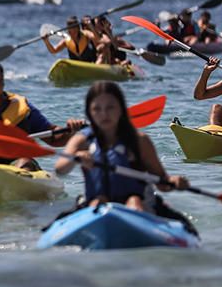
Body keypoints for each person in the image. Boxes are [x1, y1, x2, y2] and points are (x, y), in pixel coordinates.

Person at [55, 81, 190, 214]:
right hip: (97, 202)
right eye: (97, 109)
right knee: (98, 202)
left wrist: (174, 182)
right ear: (89, 113)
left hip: (137, 203)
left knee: (134, 201)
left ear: (121, 109)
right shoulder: (82, 140)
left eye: (110, 107)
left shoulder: (139, 141)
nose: (104, 114)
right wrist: (75, 158)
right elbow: (60, 169)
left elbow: (162, 182)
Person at [0, 58, 84, 181]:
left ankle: (20, 189)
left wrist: (70, 131)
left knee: (25, 161)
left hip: (19, 167)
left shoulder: (23, 109)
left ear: (3, 81)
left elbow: (54, 138)